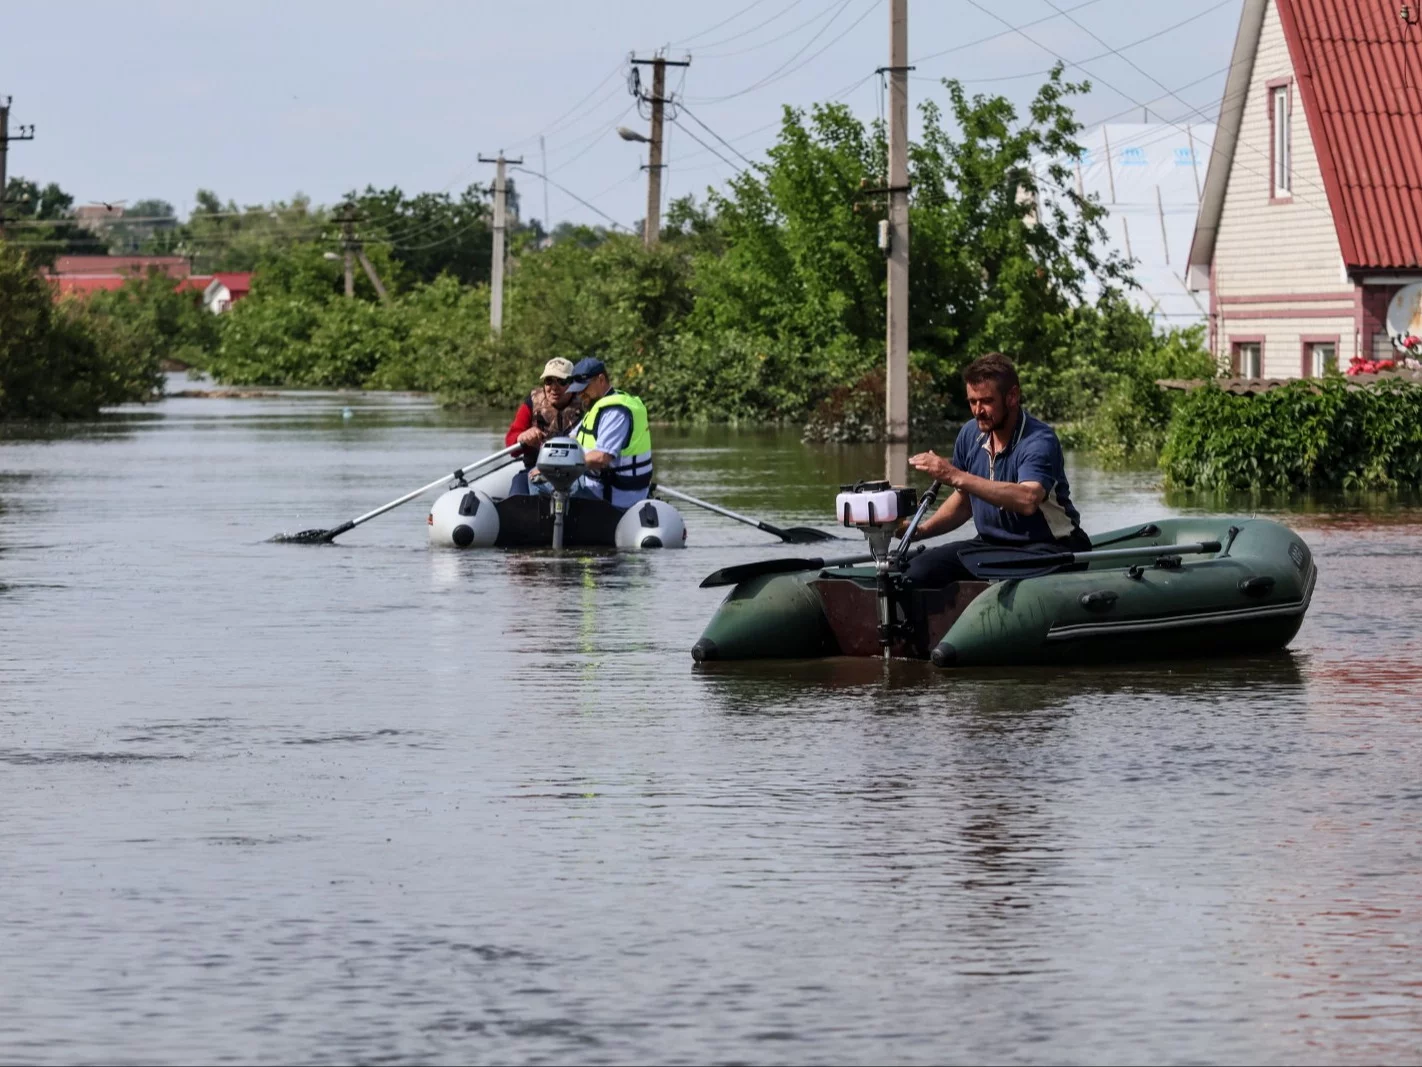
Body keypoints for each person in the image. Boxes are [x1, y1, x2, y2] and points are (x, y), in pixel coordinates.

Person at [899, 352, 1090, 585]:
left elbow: (1028, 499)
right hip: (992, 546)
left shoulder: (1039, 440)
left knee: (1003, 583)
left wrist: (954, 475)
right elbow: (965, 502)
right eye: (972, 401)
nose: (978, 410)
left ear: (1012, 396)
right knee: (915, 572)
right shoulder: (970, 434)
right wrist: (920, 531)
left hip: (1050, 547)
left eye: (987, 401)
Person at [556, 357, 654, 509]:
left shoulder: (615, 412)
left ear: (601, 379)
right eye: (577, 390)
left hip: (612, 497)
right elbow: (571, 438)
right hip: (596, 486)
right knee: (531, 478)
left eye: (583, 388)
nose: (580, 394)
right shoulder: (597, 407)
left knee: (539, 486)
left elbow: (601, 458)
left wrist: (560, 466)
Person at [505, 358, 583, 496]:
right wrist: (521, 437)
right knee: (518, 488)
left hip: (578, 472)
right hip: (533, 469)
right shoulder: (531, 403)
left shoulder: (585, 404)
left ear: (572, 384)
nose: (554, 387)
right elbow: (511, 446)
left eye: (561, 381)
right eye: (549, 381)